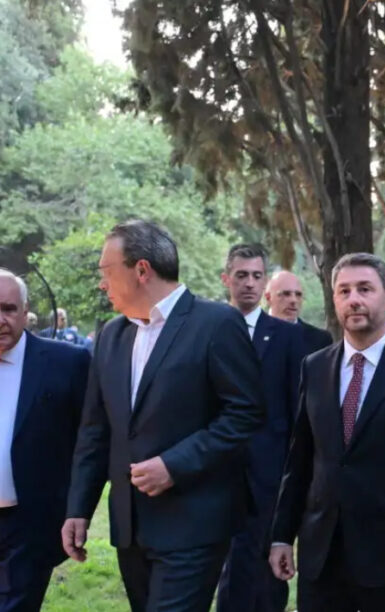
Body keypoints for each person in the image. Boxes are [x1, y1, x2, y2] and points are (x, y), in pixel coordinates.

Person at [63, 220, 264, 612]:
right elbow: (96, 430)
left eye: (107, 272)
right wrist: (78, 509)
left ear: (141, 270)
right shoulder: (111, 335)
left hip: (194, 524)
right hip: (130, 528)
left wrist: (175, 465)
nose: (102, 284)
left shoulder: (217, 323)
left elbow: (246, 414)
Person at [269, 252, 385, 612]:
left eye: (365, 289)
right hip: (321, 554)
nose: (353, 299)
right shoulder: (315, 367)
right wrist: (281, 535)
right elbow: (300, 459)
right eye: (344, 291)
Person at [215, 245, 308, 612]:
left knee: (267, 571)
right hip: (216, 469)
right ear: (226, 279)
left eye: (257, 276)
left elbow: (296, 410)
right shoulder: (207, 329)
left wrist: (290, 472)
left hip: (269, 474)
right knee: (226, 567)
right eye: (242, 275)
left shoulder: (286, 337)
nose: (250, 283)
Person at [0, 270, 90, 612]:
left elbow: (90, 441)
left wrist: (77, 509)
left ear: (26, 312)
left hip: (30, 524)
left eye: (8, 309)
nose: (0, 319)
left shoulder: (66, 363)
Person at [264, 269, 332, 354]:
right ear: (268, 298)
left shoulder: (320, 340)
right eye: (286, 294)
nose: (294, 300)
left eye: (298, 295)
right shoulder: (253, 334)